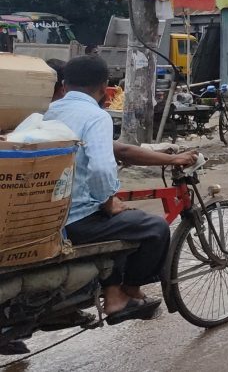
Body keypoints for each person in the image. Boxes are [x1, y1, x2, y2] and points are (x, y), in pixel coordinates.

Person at [43, 57, 172, 325]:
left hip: (44, 217)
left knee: (118, 222)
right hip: (75, 222)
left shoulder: (46, 112)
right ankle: (127, 293)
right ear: (104, 88)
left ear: (64, 85)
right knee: (155, 227)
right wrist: (108, 201)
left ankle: (112, 291)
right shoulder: (96, 116)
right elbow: (102, 169)